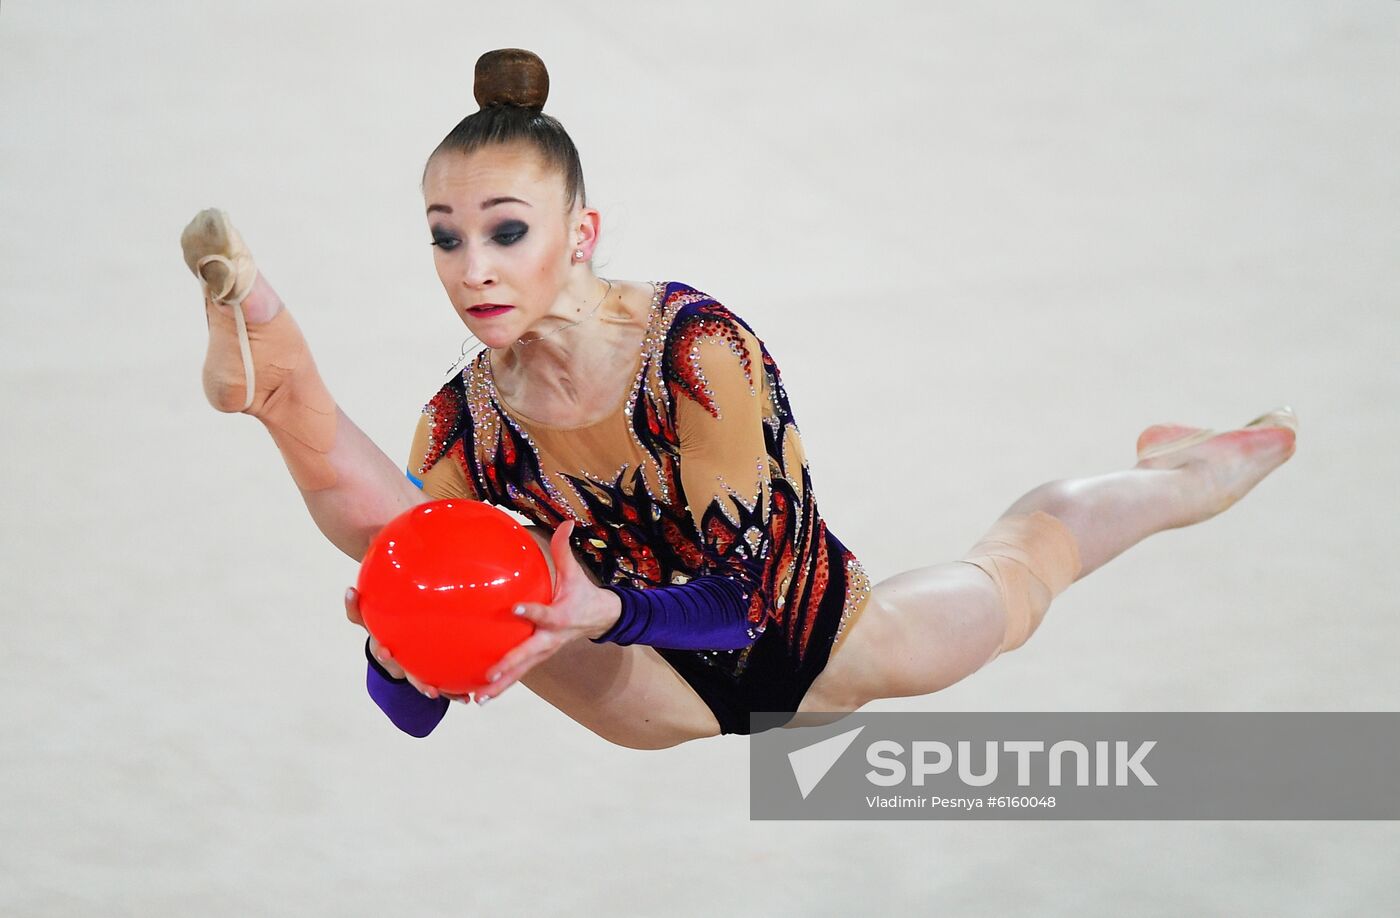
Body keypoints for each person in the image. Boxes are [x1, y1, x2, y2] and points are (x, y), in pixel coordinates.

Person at [178, 48, 1298, 749]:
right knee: (402, 535)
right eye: (446, 238)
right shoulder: (462, 424)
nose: (472, 267)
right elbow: (411, 713)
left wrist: (601, 609)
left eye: (506, 231)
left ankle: (1186, 470)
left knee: (1024, 568)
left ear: (583, 233)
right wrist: (400, 636)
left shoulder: (692, 354)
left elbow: (753, 599)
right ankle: (277, 375)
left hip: (828, 643)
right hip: (647, 692)